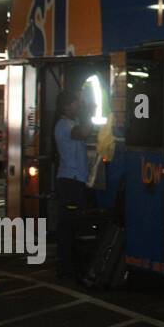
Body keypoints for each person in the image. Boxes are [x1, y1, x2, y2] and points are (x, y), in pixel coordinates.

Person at [53, 88, 95, 280]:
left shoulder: (71, 122)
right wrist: (90, 112)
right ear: (66, 106)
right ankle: (66, 267)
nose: (78, 106)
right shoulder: (63, 125)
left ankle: (70, 265)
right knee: (69, 224)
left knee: (72, 224)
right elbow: (84, 132)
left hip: (76, 181)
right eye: (75, 103)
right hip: (70, 181)